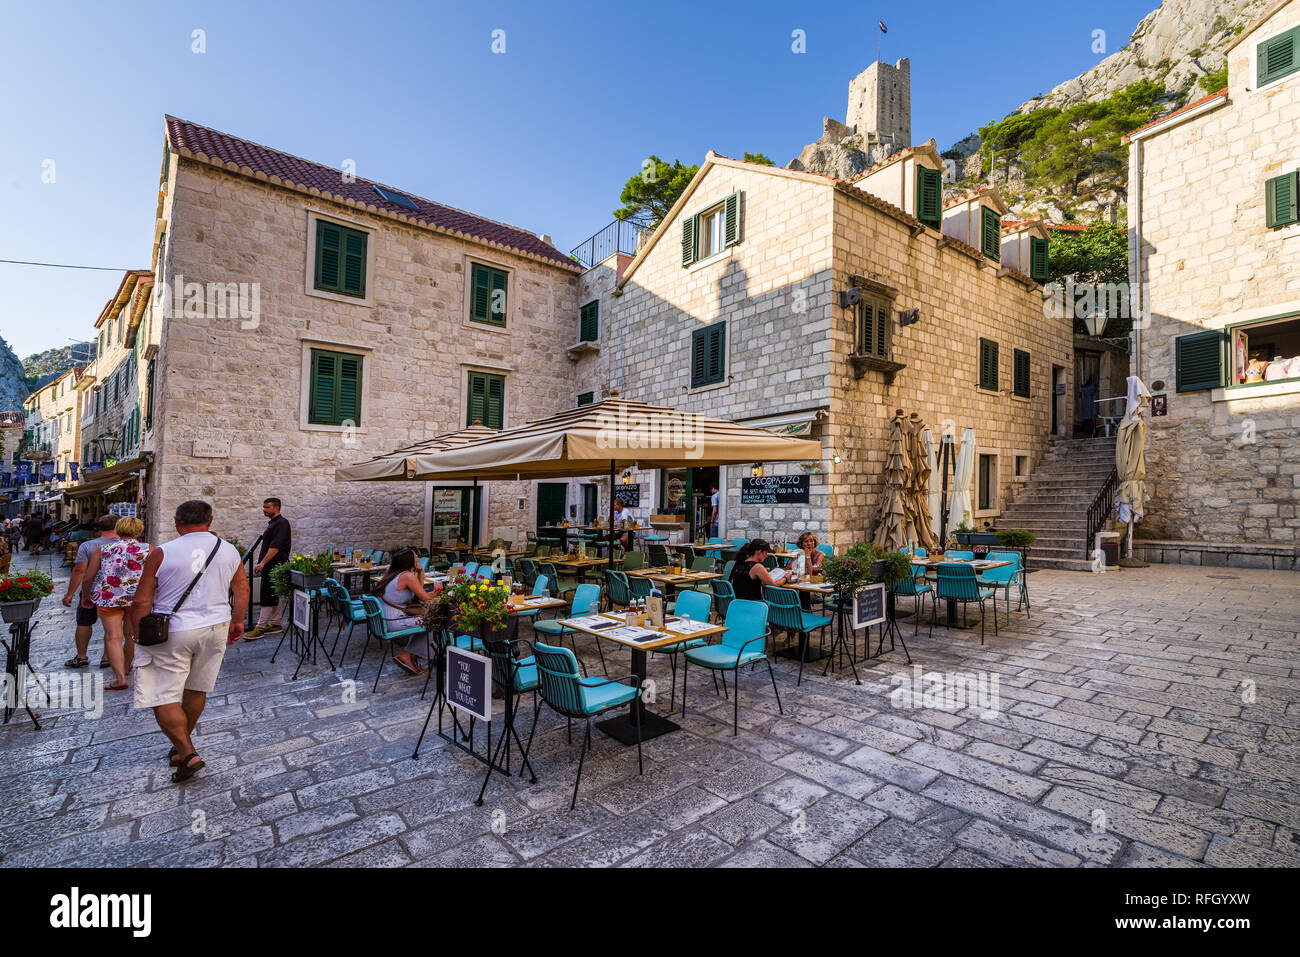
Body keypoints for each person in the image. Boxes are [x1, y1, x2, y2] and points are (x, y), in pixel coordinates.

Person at [128, 499, 247, 784]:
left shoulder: (162, 553)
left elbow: (142, 600)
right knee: (197, 688)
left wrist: (136, 634)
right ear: (211, 520)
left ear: (176, 522)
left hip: (174, 629)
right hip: (215, 626)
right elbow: (241, 586)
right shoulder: (228, 550)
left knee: (162, 693)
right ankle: (181, 748)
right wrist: (238, 620)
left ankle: (187, 751)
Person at [81, 517, 150, 691]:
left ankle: (119, 678)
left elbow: (88, 578)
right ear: (139, 531)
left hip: (108, 597)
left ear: (118, 530)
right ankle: (126, 667)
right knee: (131, 635)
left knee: (113, 636)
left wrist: (86, 595)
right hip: (136, 599)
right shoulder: (148, 549)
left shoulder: (103, 549)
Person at [62, 514, 120, 670]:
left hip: (91, 589)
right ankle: (107, 657)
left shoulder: (88, 546)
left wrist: (70, 594)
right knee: (112, 626)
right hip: (115, 591)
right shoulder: (124, 545)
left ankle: (81, 656)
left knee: (84, 621)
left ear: (99, 528)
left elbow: (80, 570)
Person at [374, 548, 438, 676]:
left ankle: (411, 655)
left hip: (385, 621)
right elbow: (424, 597)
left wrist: (420, 572)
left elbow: (418, 592)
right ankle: (408, 655)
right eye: (415, 557)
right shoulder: (407, 576)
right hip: (395, 622)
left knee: (426, 621)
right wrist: (438, 591)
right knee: (434, 621)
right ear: (409, 561)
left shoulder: (395, 575)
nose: (418, 559)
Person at [245, 497, 291, 640]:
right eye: (263, 507)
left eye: (267, 507)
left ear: (276, 508)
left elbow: (275, 547)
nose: (264, 510)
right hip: (272, 565)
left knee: (267, 595)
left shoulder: (282, 523)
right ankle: (276, 624)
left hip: (275, 565)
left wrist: (262, 563)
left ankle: (260, 627)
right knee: (274, 594)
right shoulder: (274, 523)